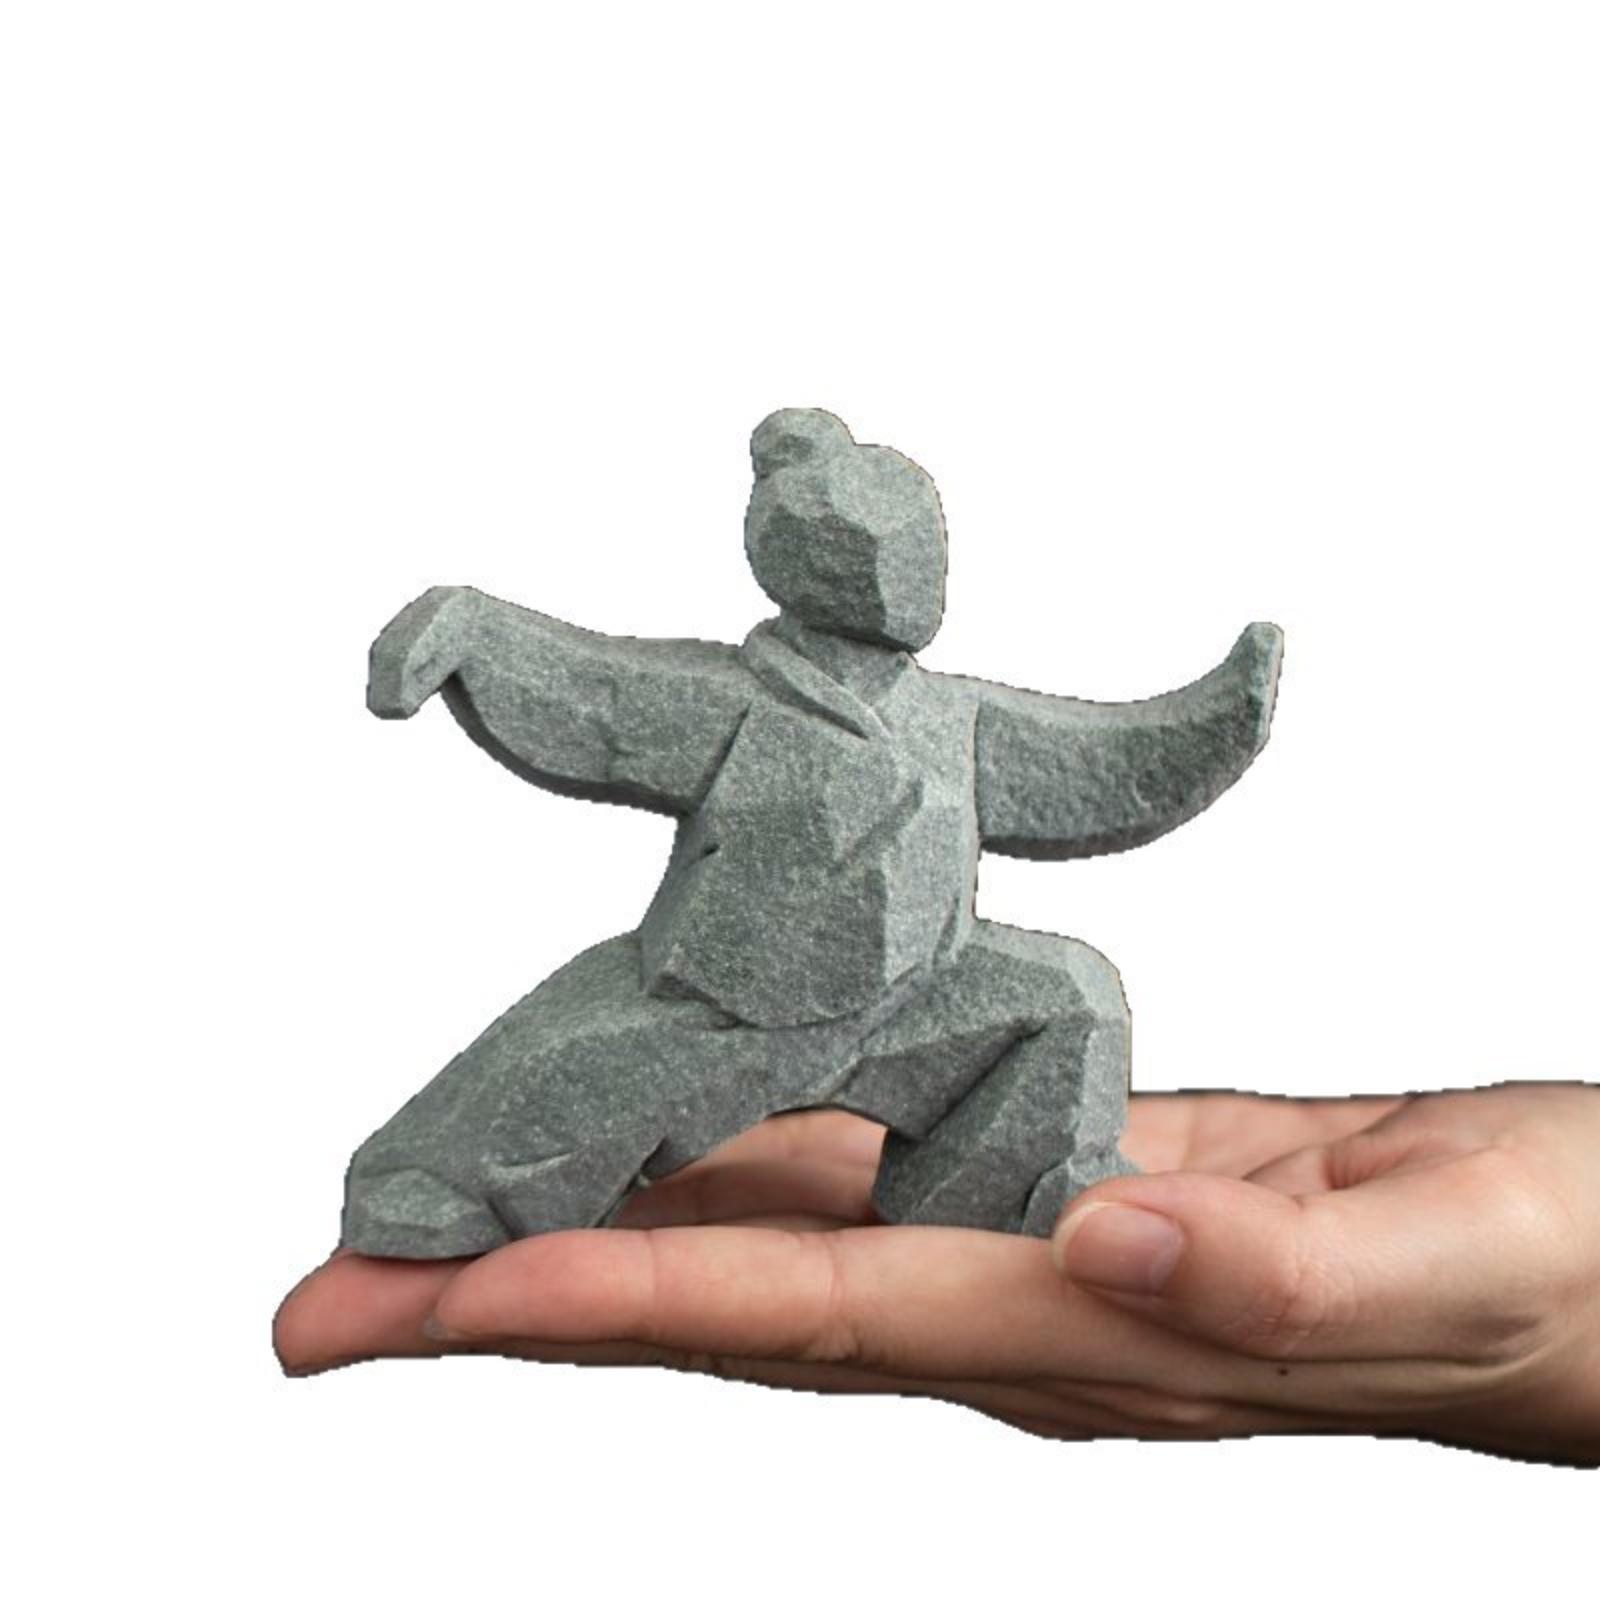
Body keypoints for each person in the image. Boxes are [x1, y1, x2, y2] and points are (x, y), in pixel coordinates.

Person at [277, 1080, 1600, 1467]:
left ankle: (1020, 1169)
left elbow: (1094, 758)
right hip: (720, 1000)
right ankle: (438, 1183)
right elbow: (592, 697)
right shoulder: (735, 694)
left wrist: (1216, 711)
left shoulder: (941, 712)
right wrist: (470, 640)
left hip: (925, 1001)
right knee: (593, 1054)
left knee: (1063, 984)